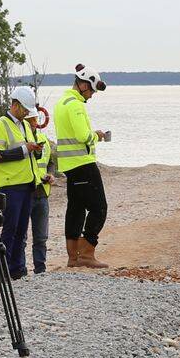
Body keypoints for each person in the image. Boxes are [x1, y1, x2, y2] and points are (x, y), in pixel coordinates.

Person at [0, 84, 46, 278]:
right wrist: (24, 150)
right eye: (26, 109)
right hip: (10, 185)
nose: (27, 113)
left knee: (21, 231)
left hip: (27, 184)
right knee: (10, 229)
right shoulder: (0, 124)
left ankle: (17, 269)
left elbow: (28, 152)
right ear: (16, 105)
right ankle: (2, 271)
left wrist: (35, 150)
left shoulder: (24, 125)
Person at [56, 64, 111, 269]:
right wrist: (96, 136)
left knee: (76, 209)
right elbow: (82, 136)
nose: (91, 96)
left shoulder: (62, 102)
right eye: (91, 91)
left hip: (69, 166)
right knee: (99, 208)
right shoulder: (76, 105)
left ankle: (73, 257)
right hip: (83, 164)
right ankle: (87, 253)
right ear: (82, 84)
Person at [31, 114, 56, 273]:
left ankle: (40, 269)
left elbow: (50, 162)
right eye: (31, 119)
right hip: (25, 193)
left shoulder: (42, 138)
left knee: (41, 237)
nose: (34, 122)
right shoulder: (21, 139)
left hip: (42, 193)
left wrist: (51, 174)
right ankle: (18, 271)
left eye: (35, 119)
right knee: (20, 237)